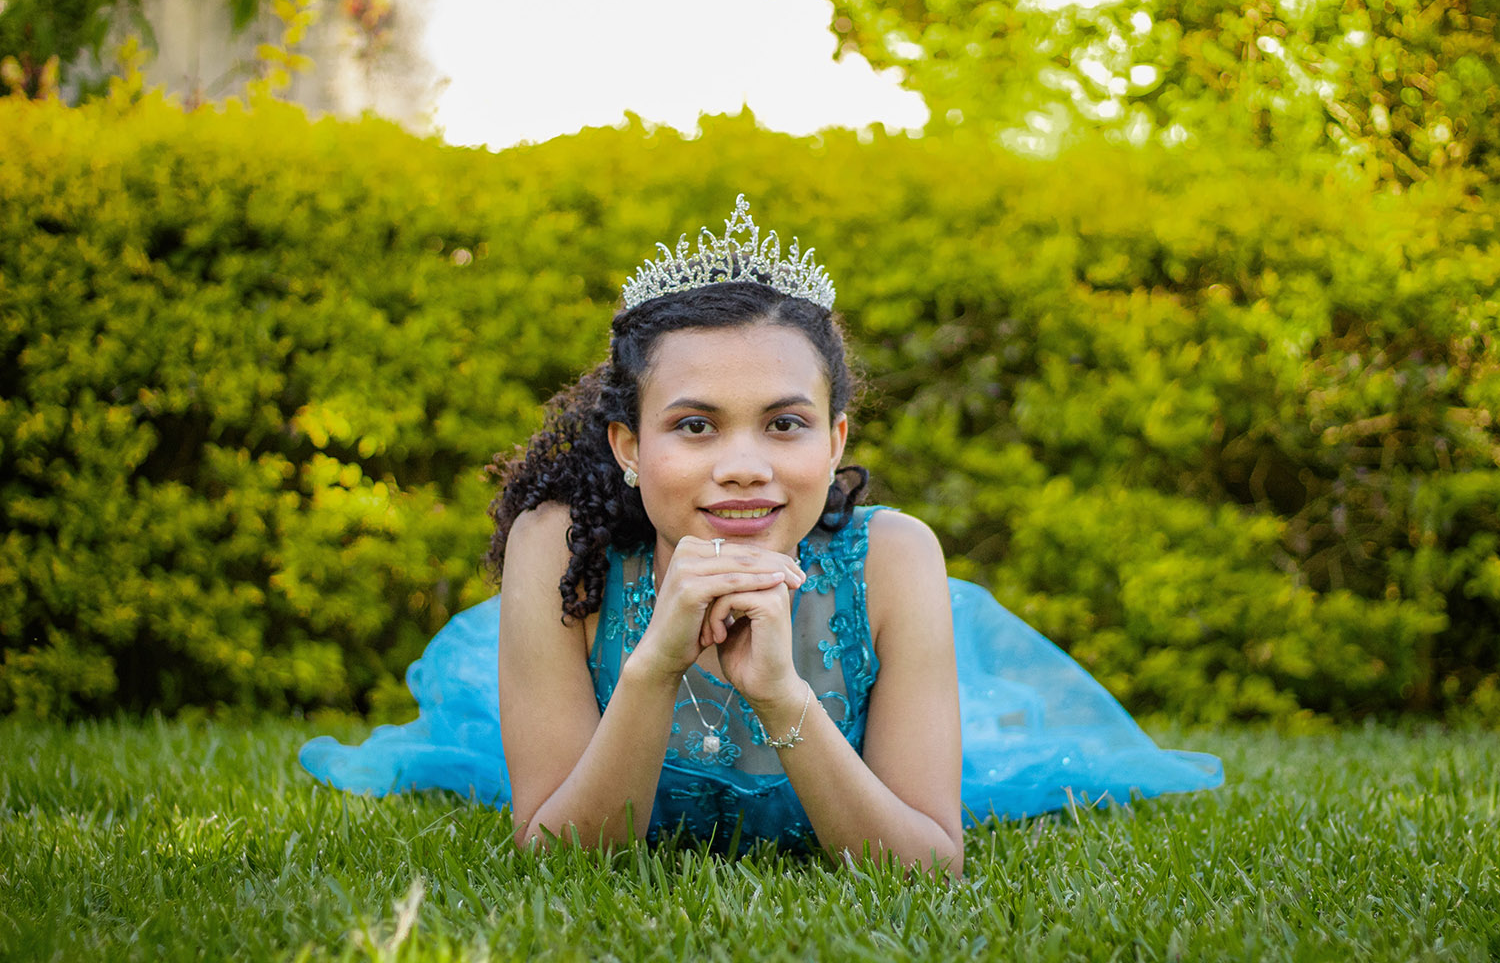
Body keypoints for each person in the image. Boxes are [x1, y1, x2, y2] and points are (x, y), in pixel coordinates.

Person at [299, 196, 1222, 876]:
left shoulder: (897, 560)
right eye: (695, 426)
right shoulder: (559, 548)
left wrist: (783, 694)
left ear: (836, 439)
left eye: (784, 424)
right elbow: (556, 856)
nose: (744, 465)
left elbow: (928, 865)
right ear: (627, 445)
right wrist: (654, 664)